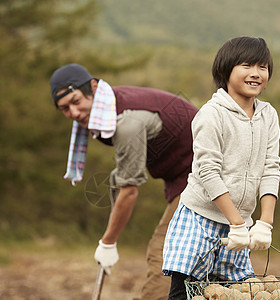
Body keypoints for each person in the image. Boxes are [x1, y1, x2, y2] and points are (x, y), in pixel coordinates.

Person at [49, 64, 198, 300]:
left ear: (93, 87)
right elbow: (122, 178)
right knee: (191, 262)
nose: (74, 113)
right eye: (65, 109)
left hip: (207, 175)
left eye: (76, 101)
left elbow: (129, 191)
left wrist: (108, 242)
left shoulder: (125, 123)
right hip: (187, 176)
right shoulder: (109, 107)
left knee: (165, 253)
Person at [162, 36, 280, 299]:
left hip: (240, 223)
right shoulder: (211, 114)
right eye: (247, 65)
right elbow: (208, 172)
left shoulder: (268, 116)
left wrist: (265, 223)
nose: (256, 74)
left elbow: (271, 168)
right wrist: (237, 223)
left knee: (231, 294)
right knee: (185, 293)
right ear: (224, 71)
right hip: (200, 219)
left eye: (263, 67)